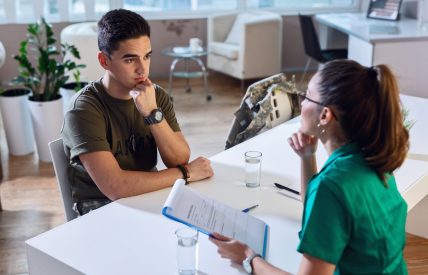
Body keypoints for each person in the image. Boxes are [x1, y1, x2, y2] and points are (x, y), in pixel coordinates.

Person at [210, 59, 409, 275]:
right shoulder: (375, 159)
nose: (301, 104)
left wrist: (249, 257)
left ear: (325, 115)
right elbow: (319, 214)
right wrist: (307, 158)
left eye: (306, 97)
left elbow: (326, 200)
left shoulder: (332, 184)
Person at [62, 9, 213, 215]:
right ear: (104, 61)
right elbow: (115, 187)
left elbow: (179, 159)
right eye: (130, 59)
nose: (143, 69)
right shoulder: (83, 109)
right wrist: (185, 174)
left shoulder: (155, 95)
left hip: (149, 193)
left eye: (147, 56)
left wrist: (152, 113)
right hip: (100, 207)